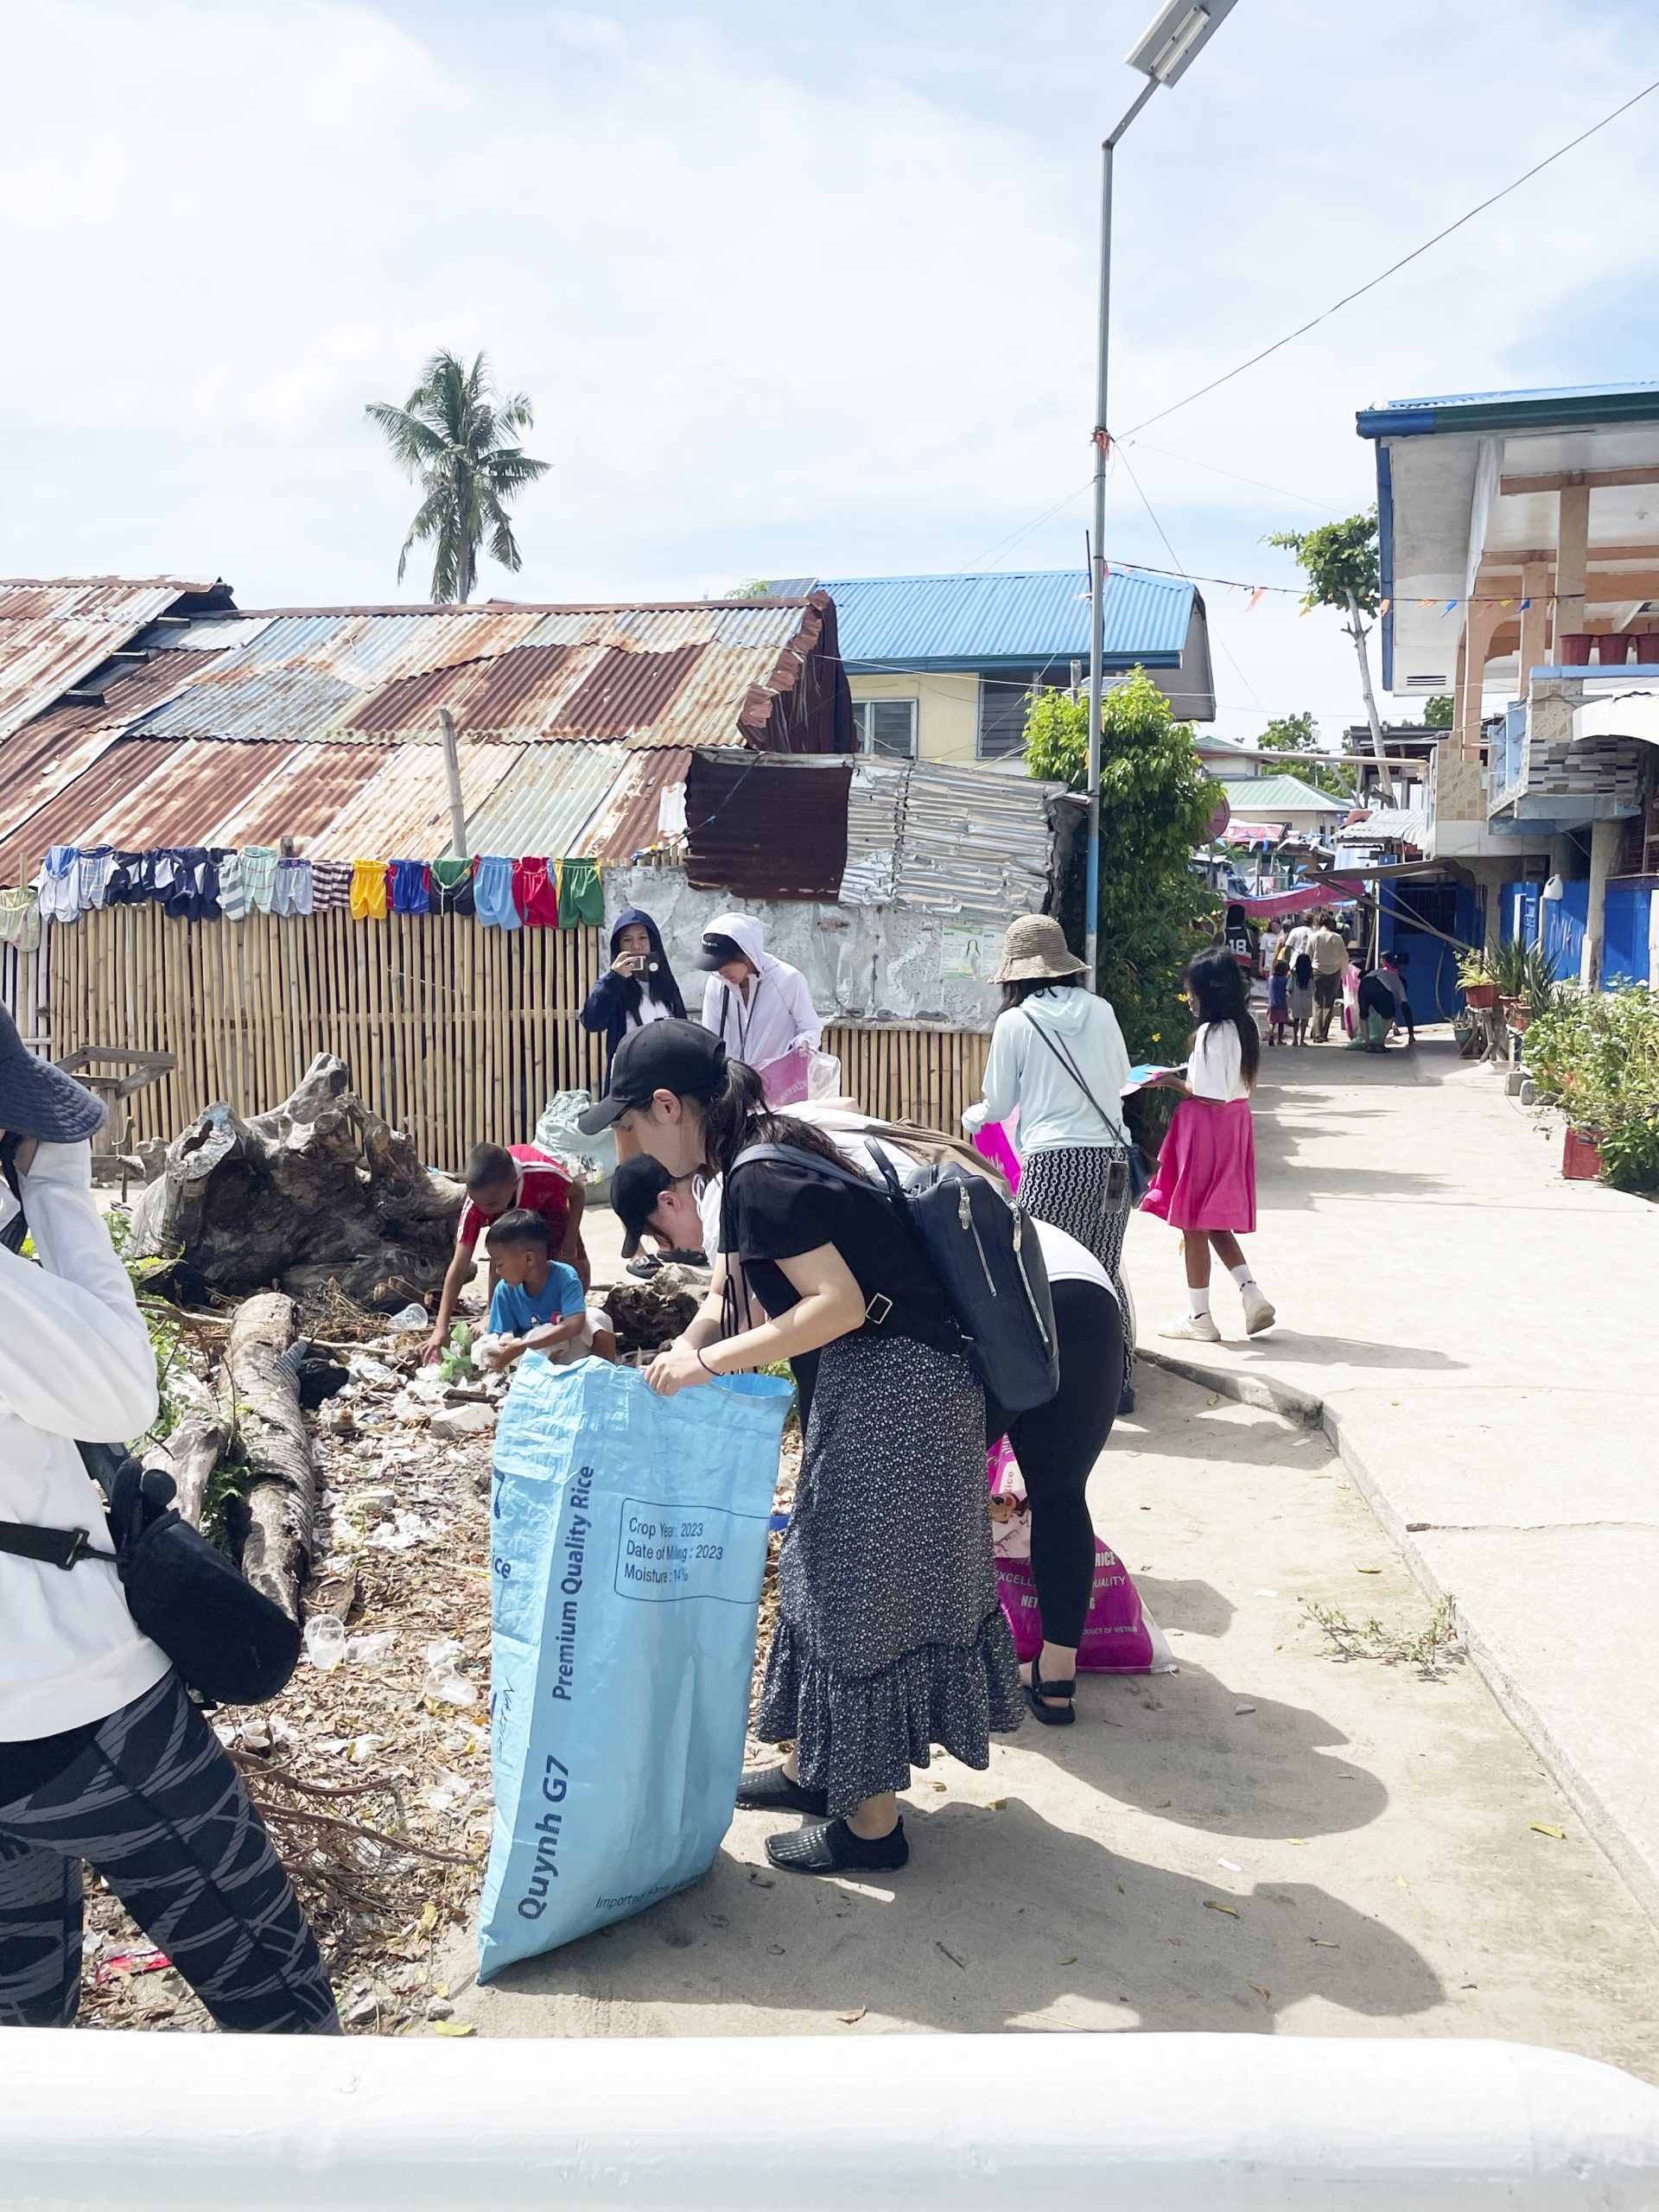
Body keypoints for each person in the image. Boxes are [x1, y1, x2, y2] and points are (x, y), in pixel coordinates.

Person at [577, 1022, 1020, 1878]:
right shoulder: (754, 1152)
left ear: (670, 1107)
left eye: (633, 1123)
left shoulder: (759, 1174)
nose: (631, 1142)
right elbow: (729, 1288)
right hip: (896, 1385)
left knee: (856, 1591)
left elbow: (838, 1303)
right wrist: (686, 1349)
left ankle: (869, 1827)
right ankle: (819, 1767)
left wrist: (707, 1361)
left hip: (900, 1392)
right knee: (821, 1572)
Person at [0, 1010, 337, 2032]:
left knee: (25, 2044)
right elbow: (122, 1390)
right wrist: (56, 1188)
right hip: (80, 1710)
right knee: (282, 2009)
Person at [962, 915, 1137, 1410]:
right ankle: (1118, 1384)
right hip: (1111, 1163)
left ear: (1017, 973)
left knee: (1041, 1271)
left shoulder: (1015, 1022)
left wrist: (970, 1119)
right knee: (1104, 1269)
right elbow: (1123, 1080)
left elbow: (997, 1104)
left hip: (1053, 1163)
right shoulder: (1101, 1011)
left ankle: (1052, 1380)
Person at [1143, 946, 1275, 1344]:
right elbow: (1233, 1088)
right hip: (1235, 1125)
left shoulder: (1209, 1033)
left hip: (1207, 1128)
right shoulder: (1245, 1027)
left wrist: (1168, 1082)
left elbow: (1209, 1093)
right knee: (1212, 1217)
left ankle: (1199, 1316)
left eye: (1191, 992)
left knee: (1193, 1221)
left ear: (1207, 993)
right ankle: (1251, 1293)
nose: (1189, 1000)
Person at [423, 1141, 588, 1361]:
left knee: (574, 1272)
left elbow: (578, 1193)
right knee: (503, 1255)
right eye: (478, 1203)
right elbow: (459, 1264)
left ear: (514, 1182)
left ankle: (557, 1317)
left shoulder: (540, 1173)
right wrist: (441, 1327)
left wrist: (569, 1243)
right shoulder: (477, 1205)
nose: (483, 1211)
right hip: (509, 1223)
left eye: (490, 1203)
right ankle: (494, 1312)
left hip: (550, 1211)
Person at [696, 913, 822, 1101]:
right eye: (715, 965)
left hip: (781, 1091)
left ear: (746, 954)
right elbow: (710, 1039)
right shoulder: (716, 984)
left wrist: (804, 1043)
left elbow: (811, 1028)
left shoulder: (787, 979)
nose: (721, 972)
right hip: (734, 1092)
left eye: (725, 963)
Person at [478, 1209, 613, 1370]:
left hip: (570, 1355)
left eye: (500, 1265)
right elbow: (500, 1340)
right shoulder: (504, 1290)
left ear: (529, 1258)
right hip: (533, 1362)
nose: (498, 1272)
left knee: (597, 1317)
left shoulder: (565, 1276)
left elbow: (575, 1324)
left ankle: (606, 1373)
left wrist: (522, 1347)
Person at [579, 908, 687, 1083]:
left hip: (668, 1077)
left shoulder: (665, 983)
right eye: (627, 940)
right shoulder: (611, 986)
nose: (636, 946)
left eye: (643, 938)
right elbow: (591, 1022)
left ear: (653, 942)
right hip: (631, 1080)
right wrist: (615, 978)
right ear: (618, 947)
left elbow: (683, 1028)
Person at [1308, 910, 1350, 1042]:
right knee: (1329, 1004)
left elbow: (1307, 956)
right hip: (1334, 973)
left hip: (1316, 972)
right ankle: (1325, 1033)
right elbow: (1344, 957)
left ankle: (1317, 1033)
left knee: (1317, 1004)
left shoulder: (1313, 937)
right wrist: (1343, 974)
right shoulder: (1337, 938)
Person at [1219, 901, 1260, 979]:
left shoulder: (1221, 935)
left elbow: (1215, 956)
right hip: (1244, 974)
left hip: (1227, 974)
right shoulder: (1250, 934)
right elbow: (1254, 954)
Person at [1287, 946, 1314, 1046]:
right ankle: (1302, 1040)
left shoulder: (1294, 976)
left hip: (1296, 1000)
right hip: (1306, 1001)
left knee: (1296, 1020)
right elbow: (1313, 990)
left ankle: (1295, 1039)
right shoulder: (1310, 977)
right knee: (1304, 1020)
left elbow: (1288, 987)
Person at [1266, 955, 1290, 1048]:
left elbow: (1268, 988)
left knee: (1272, 1022)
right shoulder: (1285, 980)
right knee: (1281, 1023)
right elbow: (1287, 990)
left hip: (1272, 1004)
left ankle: (1271, 1035)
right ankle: (1279, 1040)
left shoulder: (1271, 979)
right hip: (1282, 1004)